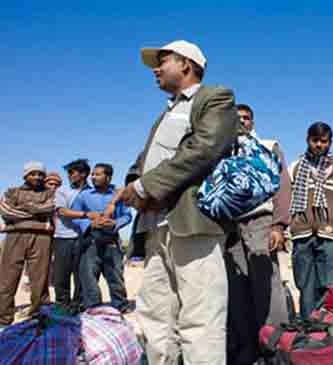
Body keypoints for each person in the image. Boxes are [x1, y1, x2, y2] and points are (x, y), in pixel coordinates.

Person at [114, 40, 238, 364]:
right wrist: (133, 186)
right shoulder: (165, 114)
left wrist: (146, 189)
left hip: (192, 224)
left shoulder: (214, 98)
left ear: (186, 64)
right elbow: (143, 165)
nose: (156, 68)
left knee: (200, 318)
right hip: (155, 227)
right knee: (156, 318)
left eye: (163, 60)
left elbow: (206, 148)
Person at [225, 103, 292, 364]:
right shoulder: (223, 152)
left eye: (246, 118)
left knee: (268, 286)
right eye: (237, 118)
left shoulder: (268, 146)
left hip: (261, 222)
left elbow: (283, 186)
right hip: (231, 227)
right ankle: (247, 347)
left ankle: (275, 347)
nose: (242, 122)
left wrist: (279, 225)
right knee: (237, 290)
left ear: (253, 121)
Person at [288, 121, 333, 317]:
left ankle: (324, 328)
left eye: (324, 141)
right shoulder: (295, 167)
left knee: (328, 285)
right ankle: (307, 326)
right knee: (304, 284)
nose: (319, 145)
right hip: (301, 235)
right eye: (315, 141)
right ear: (307, 140)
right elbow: (286, 200)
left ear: (330, 143)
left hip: (330, 235)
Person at [0, 161, 55, 329]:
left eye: (40, 174)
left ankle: (38, 314)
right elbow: (6, 211)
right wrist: (36, 216)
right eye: (33, 174)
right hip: (14, 237)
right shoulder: (12, 191)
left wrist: (24, 211)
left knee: (40, 278)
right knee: (7, 277)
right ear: (25, 176)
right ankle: (4, 316)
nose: (37, 177)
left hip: (41, 238)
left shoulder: (50, 193)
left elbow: (50, 208)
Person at [72, 163, 132, 312]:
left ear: (108, 177)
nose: (93, 177)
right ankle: (93, 307)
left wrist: (115, 223)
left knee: (115, 275)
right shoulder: (84, 195)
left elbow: (127, 215)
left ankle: (120, 305)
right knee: (89, 276)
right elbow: (74, 215)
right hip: (91, 240)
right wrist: (89, 224)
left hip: (111, 240)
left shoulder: (117, 195)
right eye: (92, 174)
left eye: (97, 174)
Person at [52, 159, 93, 312]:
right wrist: (86, 214)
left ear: (83, 174)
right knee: (61, 274)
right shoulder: (62, 191)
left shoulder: (91, 192)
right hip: (63, 238)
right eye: (68, 172)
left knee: (81, 274)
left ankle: (79, 304)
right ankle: (62, 304)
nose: (69, 176)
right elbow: (61, 211)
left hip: (84, 238)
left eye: (72, 172)